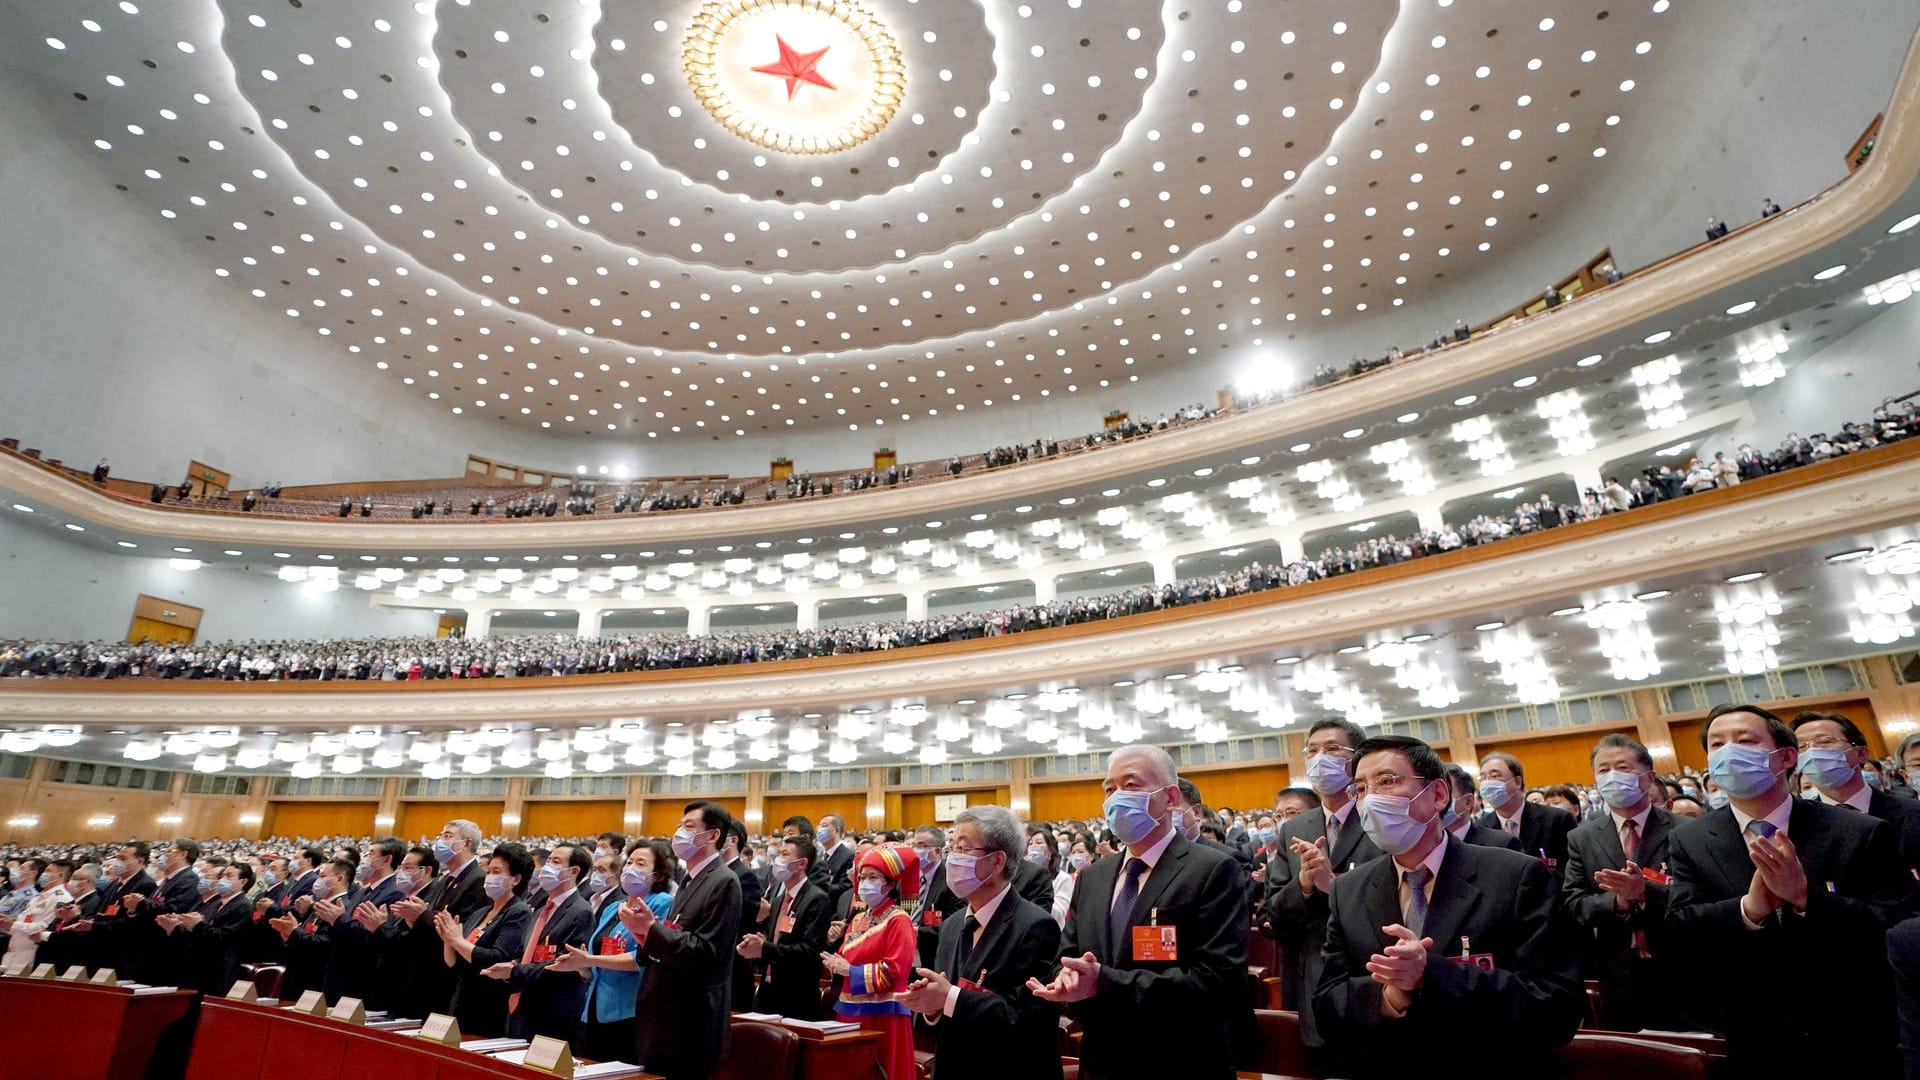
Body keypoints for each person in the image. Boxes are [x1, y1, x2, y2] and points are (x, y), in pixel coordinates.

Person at [1667, 704, 1918, 1072]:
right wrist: (1749, 909)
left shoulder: (1857, 830)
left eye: (1745, 740)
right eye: (1717, 744)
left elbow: (1896, 922)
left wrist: (1805, 899)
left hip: (1853, 1030)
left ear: (1785, 757)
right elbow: (1680, 926)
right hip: (1753, 1034)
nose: (1729, 752)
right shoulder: (1690, 839)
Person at [1313, 736, 1583, 1077]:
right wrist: (1391, 996)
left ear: (1438, 795)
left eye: (1387, 781)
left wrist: (1432, 974)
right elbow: (1325, 1005)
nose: (1371, 800)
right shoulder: (1349, 890)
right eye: (1361, 789)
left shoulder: (1515, 876)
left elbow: (1556, 1009)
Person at [1029, 744, 1249, 1080]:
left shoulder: (1213, 869)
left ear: (1171, 797)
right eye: (1109, 789)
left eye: (1131, 785)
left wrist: (1105, 982)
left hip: (1181, 1058)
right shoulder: (1093, 876)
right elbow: (1069, 955)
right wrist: (1068, 983)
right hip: (1103, 1058)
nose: (1117, 797)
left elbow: (1216, 982)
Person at [897, 806, 1063, 1080]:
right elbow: (941, 1015)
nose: (952, 860)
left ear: (997, 861)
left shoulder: (1035, 925)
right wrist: (930, 1008)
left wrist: (948, 997)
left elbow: (1026, 1021)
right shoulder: (951, 925)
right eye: (951, 849)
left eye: (963, 849)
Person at [1265, 717, 1380, 1067]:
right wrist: (1303, 885)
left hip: (1371, 979)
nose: (1320, 758)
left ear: (1356, 758)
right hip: (1314, 980)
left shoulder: (1380, 816)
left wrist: (1335, 888)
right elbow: (1274, 916)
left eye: (1332, 749)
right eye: (1312, 750)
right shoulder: (1296, 828)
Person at [1559, 734, 1684, 1032]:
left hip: (1681, 965)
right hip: (1617, 972)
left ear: (1648, 777)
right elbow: (1573, 904)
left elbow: (1698, 897)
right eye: (1603, 770)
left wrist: (1646, 893)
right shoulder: (1582, 837)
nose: (1612, 776)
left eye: (1623, 768)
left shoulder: (1685, 830)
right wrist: (1619, 902)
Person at [627, 800, 743, 1080]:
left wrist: (651, 928)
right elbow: (675, 937)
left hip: (692, 1020)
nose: (679, 832)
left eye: (689, 827)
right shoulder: (691, 880)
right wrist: (641, 932)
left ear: (713, 835)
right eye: (680, 826)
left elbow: (706, 950)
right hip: (665, 1016)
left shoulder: (724, 881)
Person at [552, 839, 677, 1063]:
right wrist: (582, 966)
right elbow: (595, 964)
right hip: (592, 1010)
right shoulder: (612, 907)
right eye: (629, 862)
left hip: (630, 1012)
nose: (630, 868)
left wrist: (591, 959)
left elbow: (643, 958)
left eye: (640, 864)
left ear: (658, 875)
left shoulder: (662, 903)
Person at [821, 842, 919, 1080]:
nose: (864, 882)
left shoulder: (899, 920)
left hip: (883, 1013)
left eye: (873, 877)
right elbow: (846, 957)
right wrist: (835, 964)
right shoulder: (857, 919)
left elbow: (895, 970)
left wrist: (851, 971)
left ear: (890, 883)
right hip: (849, 1008)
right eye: (862, 876)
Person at [1793, 709, 1920, 873]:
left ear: (1861, 753)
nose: (1812, 752)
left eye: (1824, 742)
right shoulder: (1796, 826)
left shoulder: (1914, 813)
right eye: (1801, 747)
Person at [489, 843, 593, 1041]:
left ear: (573, 872)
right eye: (548, 861)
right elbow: (523, 952)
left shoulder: (580, 911)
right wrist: (512, 966)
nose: (547, 867)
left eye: (556, 862)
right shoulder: (540, 910)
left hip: (552, 1010)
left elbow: (564, 964)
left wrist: (515, 971)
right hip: (524, 1003)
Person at [435, 842, 534, 1037]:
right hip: (462, 998)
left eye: (497, 871)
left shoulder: (518, 912)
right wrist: (448, 941)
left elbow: (496, 958)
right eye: (488, 871)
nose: (489, 877)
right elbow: (455, 964)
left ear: (515, 879)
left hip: (489, 1003)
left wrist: (457, 941)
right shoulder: (481, 912)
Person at [736, 833, 830, 1019]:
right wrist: (756, 947)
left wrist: (765, 948)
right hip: (768, 991)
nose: (778, 859)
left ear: (801, 863)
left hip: (797, 996)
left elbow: (809, 951)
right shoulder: (779, 900)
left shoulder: (817, 899)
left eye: (785, 854)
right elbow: (773, 945)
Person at [325, 836, 406, 1005]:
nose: (364, 858)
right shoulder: (363, 891)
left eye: (370, 853)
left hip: (363, 976)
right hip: (342, 970)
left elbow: (372, 934)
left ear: (387, 859)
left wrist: (339, 920)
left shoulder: (395, 892)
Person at [1476, 752, 1574, 880]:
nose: (1487, 783)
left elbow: (1571, 873)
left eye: (1494, 776)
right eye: (1483, 778)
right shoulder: (1480, 828)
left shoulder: (1557, 819)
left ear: (1517, 781)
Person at [270, 857, 352, 1002]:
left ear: (339, 879)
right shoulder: (320, 904)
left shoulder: (341, 907)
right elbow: (306, 934)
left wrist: (294, 931)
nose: (317, 881)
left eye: (322, 876)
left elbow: (325, 944)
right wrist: (288, 935)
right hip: (298, 974)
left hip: (316, 980)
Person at [719, 819, 762, 1014]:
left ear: (732, 840)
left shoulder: (744, 876)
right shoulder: (713, 873)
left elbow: (741, 921)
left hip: (733, 966)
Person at [912, 825, 962, 967]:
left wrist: (918, 932)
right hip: (906, 953)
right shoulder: (908, 877)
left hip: (935, 955)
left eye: (921, 846)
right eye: (914, 845)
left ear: (938, 851)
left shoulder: (951, 878)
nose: (916, 850)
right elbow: (906, 907)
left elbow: (954, 924)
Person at [1440, 765, 1521, 850]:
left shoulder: (1503, 844)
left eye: (1442, 794)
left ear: (1468, 802)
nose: (1435, 802)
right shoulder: (1427, 846)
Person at [1024, 824, 1073, 926]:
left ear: (1050, 851)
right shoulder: (1023, 876)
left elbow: (1059, 913)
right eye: (1030, 843)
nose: (1033, 846)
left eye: (1039, 843)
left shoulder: (1063, 879)